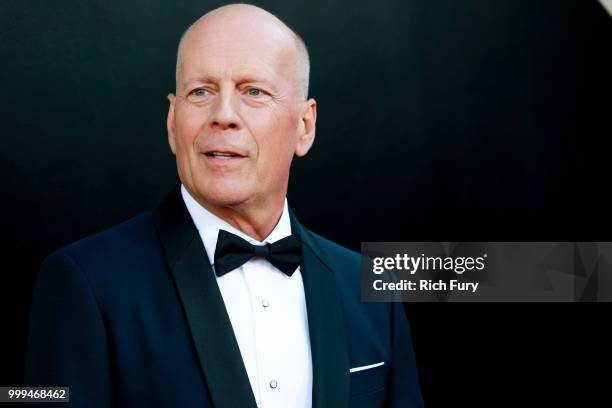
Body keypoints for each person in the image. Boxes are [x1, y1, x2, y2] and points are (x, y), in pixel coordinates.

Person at [25, 4, 423, 407]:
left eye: (254, 92)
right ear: (172, 122)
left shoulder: (372, 287)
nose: (224, 115)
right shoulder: (83, 283)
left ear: (304, 126)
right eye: (201, 92)